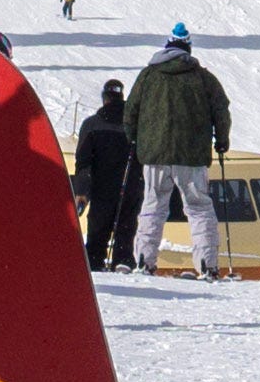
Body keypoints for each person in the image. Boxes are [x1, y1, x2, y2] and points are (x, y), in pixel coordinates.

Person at [129, 22, 234, 278]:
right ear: (188, 47)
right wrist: (221, 140)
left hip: (155, 155)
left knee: (153, 205)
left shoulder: (148, 76)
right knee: (198, 208)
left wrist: (134, 140)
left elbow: (131, 110)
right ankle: (207, 265)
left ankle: (144, 260)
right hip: (192, 156)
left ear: (167, 45)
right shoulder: (203, 78)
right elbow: (221, 110)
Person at [73, 77, 143, 270]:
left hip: (101, 190)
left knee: (96, 238)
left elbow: (83, 163)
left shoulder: (92, 124)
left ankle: (94, 267)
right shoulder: (135, 126)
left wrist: (82, 192)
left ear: (105, 98)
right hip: (131, 187)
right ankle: (123, 263)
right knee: (126, 234)